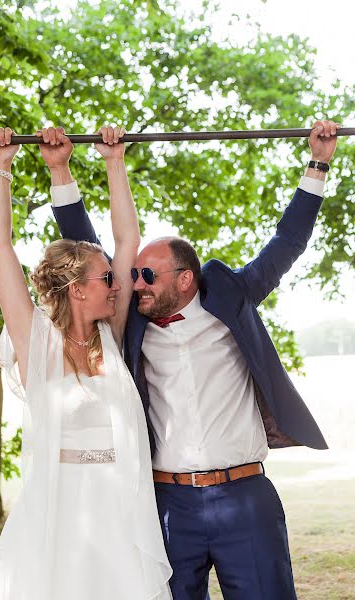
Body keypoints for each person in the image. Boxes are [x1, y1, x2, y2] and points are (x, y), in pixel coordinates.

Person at [50, 119, 339, 600]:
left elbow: (287, 243)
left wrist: (318, 163)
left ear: (185, 279)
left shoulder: (234, 296)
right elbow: (89, 251)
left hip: (245, 498)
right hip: (167, 504)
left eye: (146, 274)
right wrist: (61, 173)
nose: (134, 282)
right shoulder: (131, 323)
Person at [0, 125, 172, 600]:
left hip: (120, 516)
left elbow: (128, 238)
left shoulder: (112, 332)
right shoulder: (33, 341)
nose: (118, 283)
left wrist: (114, 160)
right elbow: (0, 247)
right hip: (58, 518)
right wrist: (0, 168)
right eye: (107, 277)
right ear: (77, 289)